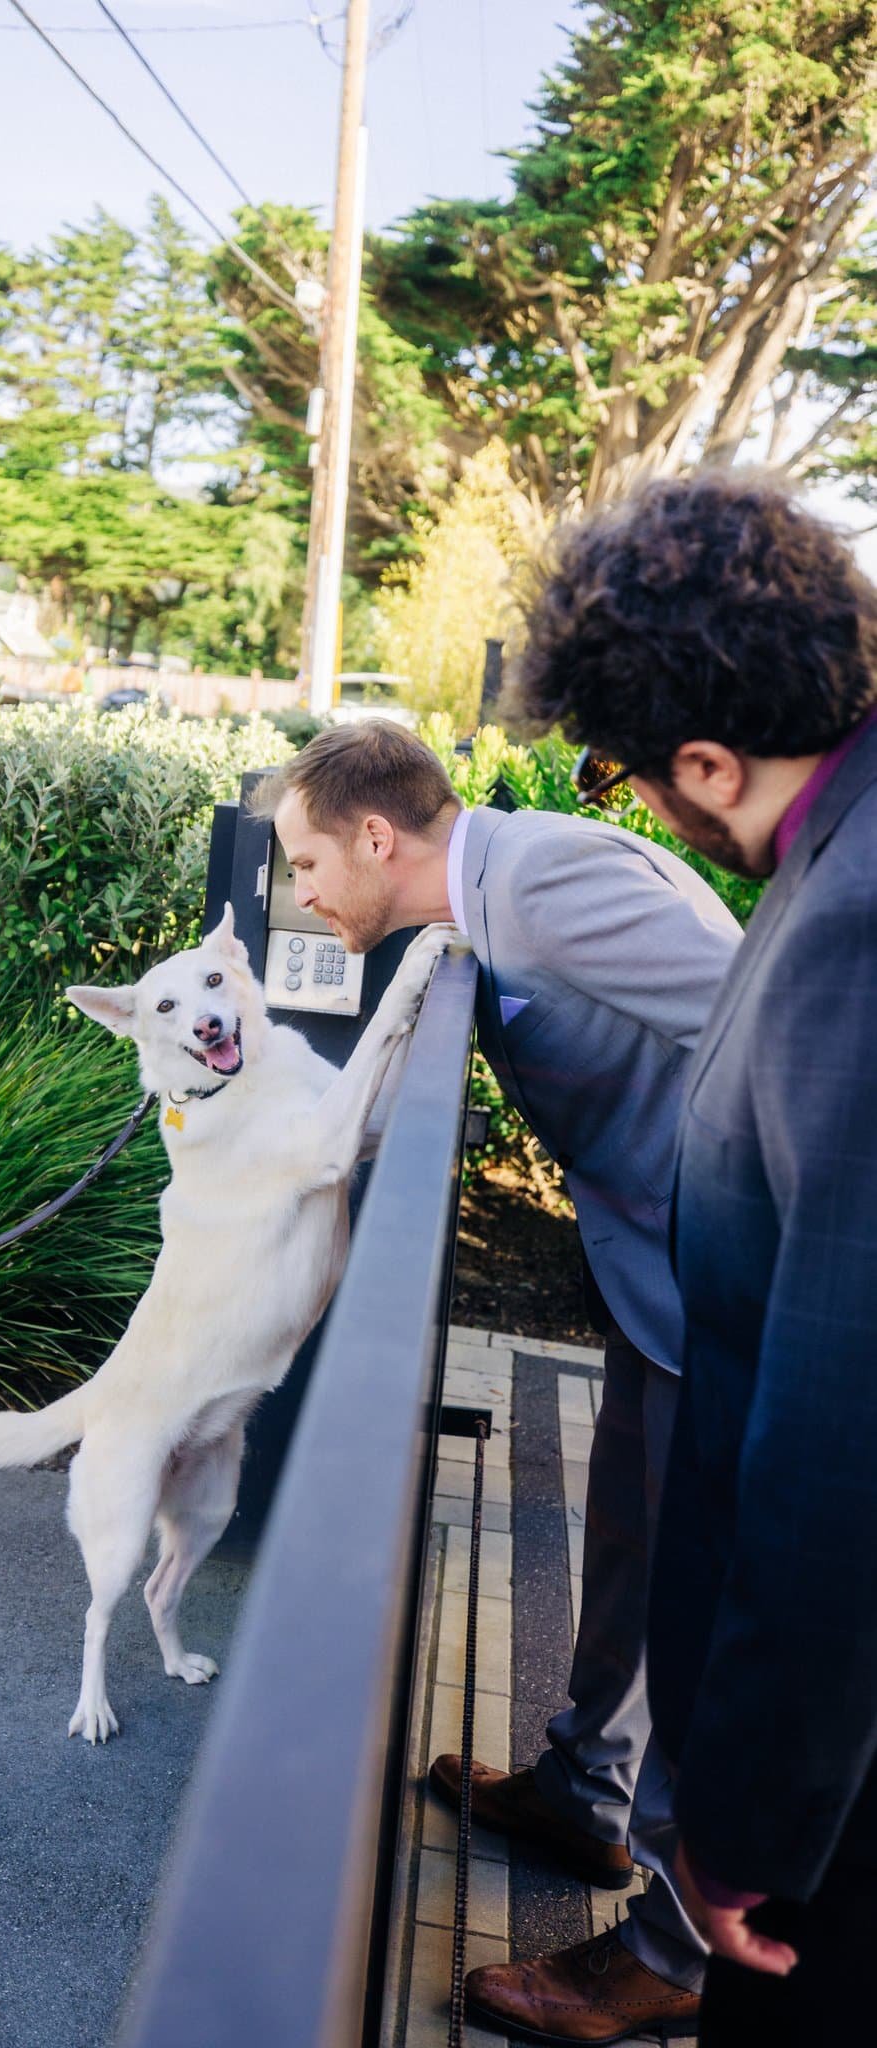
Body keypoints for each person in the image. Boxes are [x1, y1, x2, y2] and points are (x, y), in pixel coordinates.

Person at [258, 718, 740, 2042]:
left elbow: (773, 1032)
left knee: (708, 1608)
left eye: (305, 862)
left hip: (736, 1287)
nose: (297, 892)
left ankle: (673, 1953)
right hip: (662, 1283)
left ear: (374, 836)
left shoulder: (539, 882)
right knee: (632, 1542)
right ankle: (583, 1794)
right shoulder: (485, 895)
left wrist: (751, 1246)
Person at [508, 470, 877, 2047]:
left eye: (636, 776)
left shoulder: (851, 919)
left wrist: (740, 1823)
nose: (647, 811)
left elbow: (832, 1432)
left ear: (707, 759)